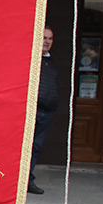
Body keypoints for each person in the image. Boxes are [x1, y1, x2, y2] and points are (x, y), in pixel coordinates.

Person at [27, 27, 58, 195]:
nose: (47, 41)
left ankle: (28, 181)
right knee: (26, 146)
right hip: (32, 111)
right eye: (44, 37)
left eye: (50, 39)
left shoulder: (51, 63)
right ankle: (19, 181)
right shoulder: (30, 59)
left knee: (36, 147)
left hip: (47, 111)